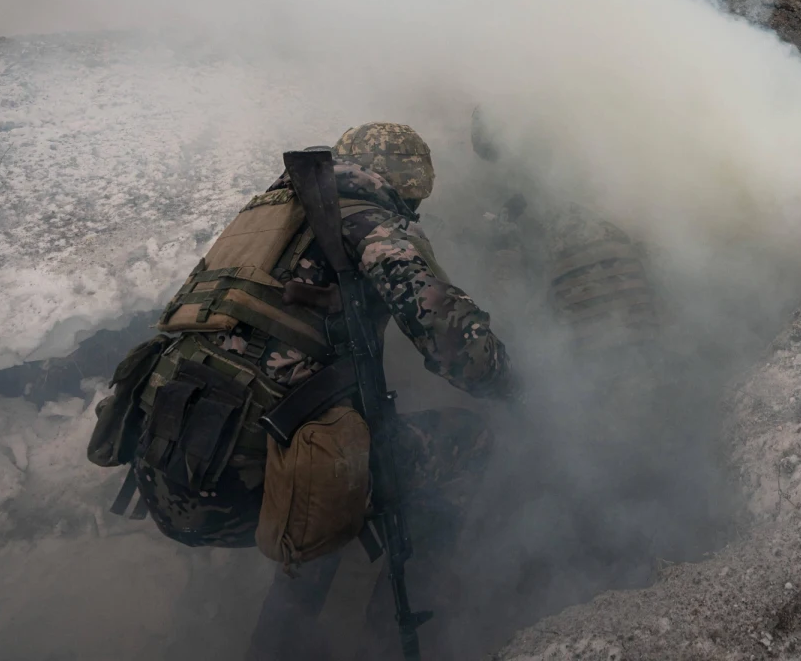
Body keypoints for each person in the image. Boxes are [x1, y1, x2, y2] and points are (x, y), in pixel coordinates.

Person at [88, 121, 514, 658]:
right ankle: (399, 635)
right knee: (464, 442)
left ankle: (278, 646)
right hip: (245, 491)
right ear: (403, 185)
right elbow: (463, 352)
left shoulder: (262, 221)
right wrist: (517, 388)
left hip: (163, 469)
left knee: (318, 464)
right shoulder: (372, 223)